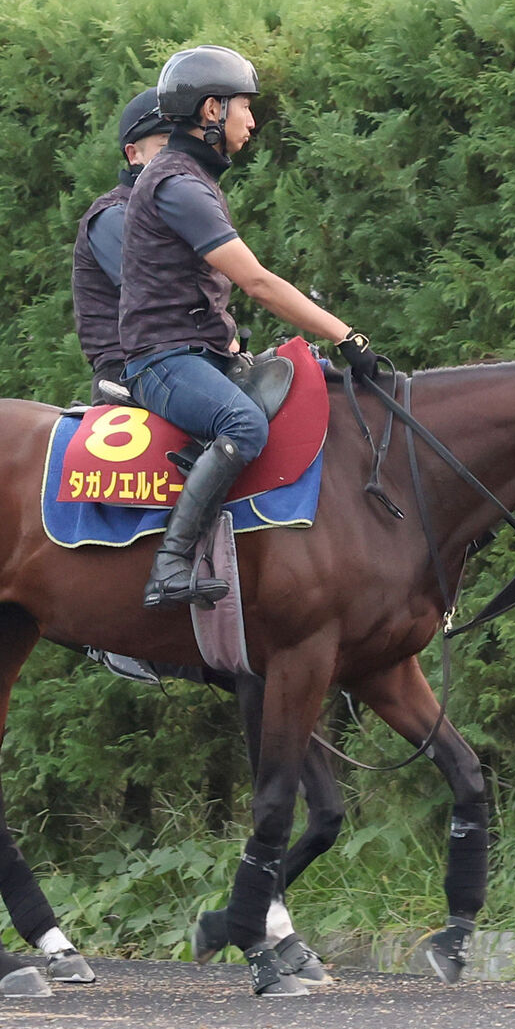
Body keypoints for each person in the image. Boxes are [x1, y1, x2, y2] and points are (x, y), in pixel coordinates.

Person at [118, 44, 380, 610]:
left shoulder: (192, 177)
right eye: (245, 107)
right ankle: (169, 566)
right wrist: (347, 334)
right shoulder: (178, 185)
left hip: (199, 354)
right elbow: (258, 283)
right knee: (244, 424)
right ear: (212, 110)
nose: (252, 121)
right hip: (162, 362)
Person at [72, 88, 173, 404]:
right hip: (130, 374)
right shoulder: (114, 216)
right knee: (237, 422)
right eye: (166, 146)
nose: (179, 158)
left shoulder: (183, 212)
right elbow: (163, 301)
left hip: (184, 363)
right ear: (134, 155)